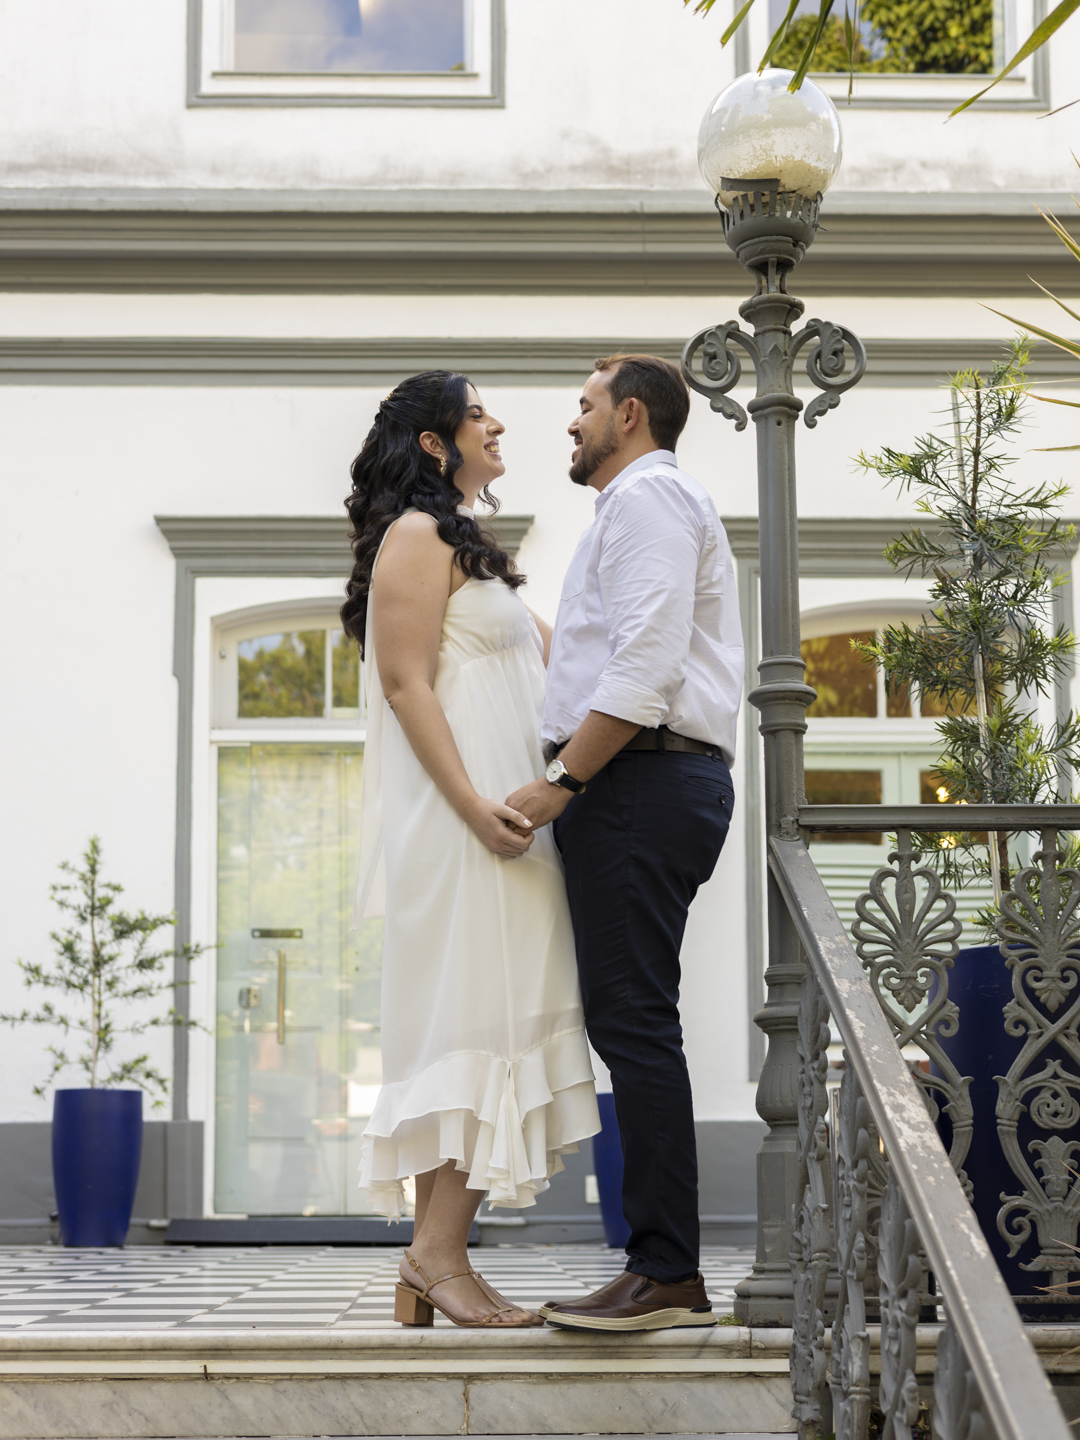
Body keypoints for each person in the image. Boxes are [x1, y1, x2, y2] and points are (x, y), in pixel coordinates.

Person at [343, 371, 600, 1329]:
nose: (498, 425)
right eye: (479, 413)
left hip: (510, 822)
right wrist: (470, 806)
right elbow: (406, 684)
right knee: (476, 1023)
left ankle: (433, 1259)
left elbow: (565, 660)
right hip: (467, 825)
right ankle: (437, 1256)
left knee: (489, 1023)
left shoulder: (468, 549)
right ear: (434, 442)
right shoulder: (415, 536)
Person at [506, 354, 744, 1333]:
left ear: (631, 414)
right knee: (632, 1020)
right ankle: (660, 1264)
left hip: (637, 782)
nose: (573, 423)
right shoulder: (637, 509)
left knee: (635, 1023)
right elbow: (599, 654)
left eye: (586, 406)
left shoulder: (648, 499)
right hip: (644, 780)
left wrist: (562, 782)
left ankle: (666, 1271)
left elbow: (645, 666)